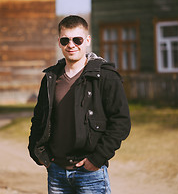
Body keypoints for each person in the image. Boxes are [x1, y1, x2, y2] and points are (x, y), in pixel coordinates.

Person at [28, 15, 131, 194]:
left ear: (87, 40)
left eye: (77, 39)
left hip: (90, 174)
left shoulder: (105, 76)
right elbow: (39, 118)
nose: (71, 44)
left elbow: (121, 122)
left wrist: (97, 159)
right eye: (65, 40)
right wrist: (39, 153)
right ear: (59, 42)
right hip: (57, 172)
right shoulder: (50, 78)